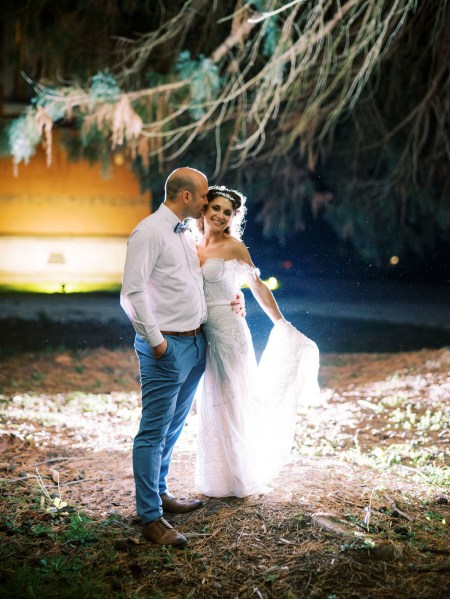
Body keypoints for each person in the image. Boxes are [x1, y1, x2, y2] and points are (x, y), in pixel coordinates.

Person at [120, 168, 244, 548]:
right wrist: (157, 343)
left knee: (172, 428)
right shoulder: (149, 232)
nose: (209, 203)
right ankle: (150, 518)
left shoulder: (186, 233)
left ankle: (159, 494)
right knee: (153, 432)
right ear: (188, 197)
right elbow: (132, 293)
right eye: (205, 196)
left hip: (196, 345)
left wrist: (231, 298)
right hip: (167, 346)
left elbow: (198, 283)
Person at [194, 185, 320, 498]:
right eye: (217, 209)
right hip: (198, 332)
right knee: (209, 399)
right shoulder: (189, 245)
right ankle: (215, 478)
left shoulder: (234, 247)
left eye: (228, 212)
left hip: (229, 331)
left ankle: (239, 476)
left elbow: (258, 287)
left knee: (232, 397)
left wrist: (281, 322)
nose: (222, 216)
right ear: (204, 209)